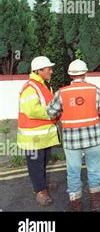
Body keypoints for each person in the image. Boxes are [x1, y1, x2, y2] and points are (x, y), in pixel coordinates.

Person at [47, 59, 100, 212]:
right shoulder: (96, 90)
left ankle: (76, 205)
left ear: (70, 75)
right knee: (94, 169)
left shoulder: (61, 93)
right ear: (85, 73)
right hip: (93, 139)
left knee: (73, 172)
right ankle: (95, 203)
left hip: (71, 141)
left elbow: (50, 113)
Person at [17, 56, 60, 206]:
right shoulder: (30, 87)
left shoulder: (45, 86)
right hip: (33, 137)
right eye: (48, 69)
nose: (51, 71)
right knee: (35, 164)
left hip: (44, 136)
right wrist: (53, 113)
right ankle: (40, 191)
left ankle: (42, 185)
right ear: (39, 70)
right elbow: (32, 110)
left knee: (43, 161)